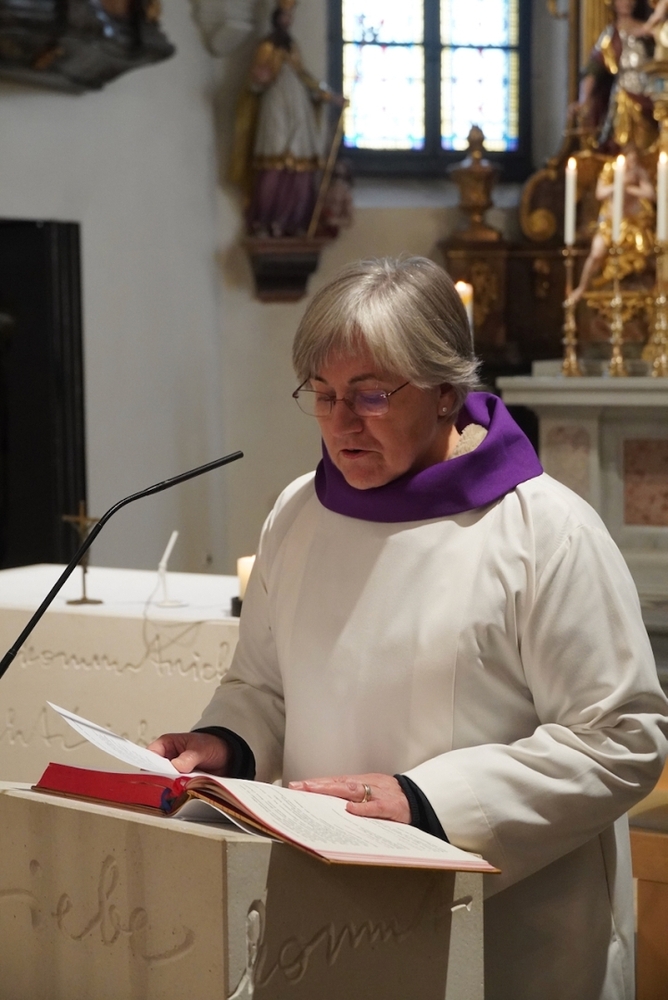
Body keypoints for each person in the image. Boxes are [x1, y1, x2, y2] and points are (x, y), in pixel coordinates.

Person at [149, 257, 668, 1000]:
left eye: (370, 395)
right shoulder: (298, 513)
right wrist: (225, 742)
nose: (340, 422)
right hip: (326, 910)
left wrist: (426, 803)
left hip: (508, 930)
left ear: (446, 391)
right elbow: (264, 686)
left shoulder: (544, 531)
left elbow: (622, 738)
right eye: (323, 394)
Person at [228, 0, 343, 238]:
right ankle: (265, 220)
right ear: (276, 18)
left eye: (290, 17)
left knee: (301, 166)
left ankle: (295, 221)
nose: (287, 21)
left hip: (299, 109)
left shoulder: (292, 47)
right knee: (273, 163)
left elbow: (305, 77)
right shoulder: (266, 46)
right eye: (284, 16)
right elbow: (255, 83)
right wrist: (258, 79)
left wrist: (328, 96)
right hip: (275, 107)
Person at [568, 145, 655, 305]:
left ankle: (641, 287)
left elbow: (650, 194)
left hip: (632, 224)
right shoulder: (610, 169)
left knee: (644, 254)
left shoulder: (639, 172)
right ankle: (582, 287)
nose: (632, 163)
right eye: (630, 159)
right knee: (596, 254)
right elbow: (600, 193)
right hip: (609, 223)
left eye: (635, 160)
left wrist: (630, 188)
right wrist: (619, 185)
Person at [576, 0, 662, 153]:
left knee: (650, 144)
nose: (626, 3)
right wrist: (584, 99)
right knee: (624, 143)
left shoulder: (648, 30)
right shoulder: (611, 34)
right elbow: (594, 68)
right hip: (625, 96)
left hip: (650, 95)